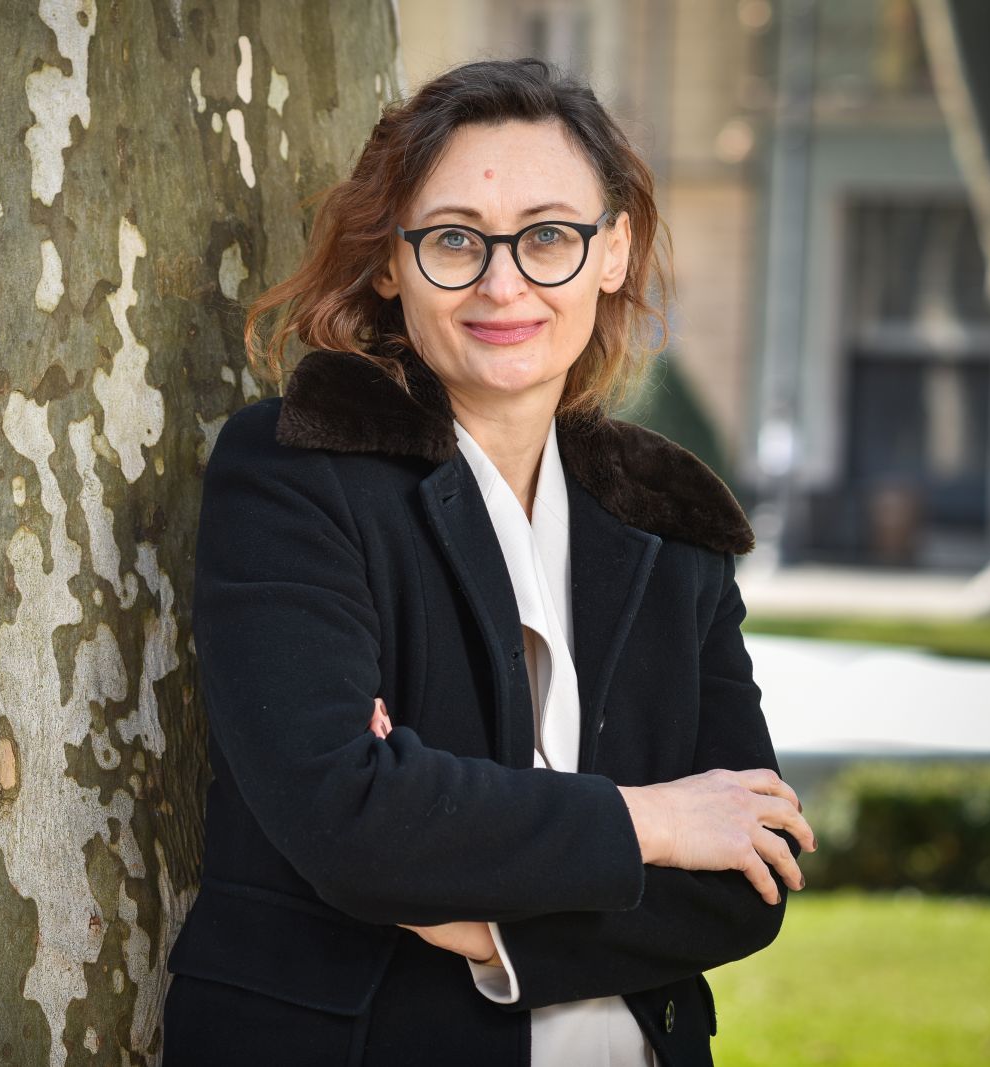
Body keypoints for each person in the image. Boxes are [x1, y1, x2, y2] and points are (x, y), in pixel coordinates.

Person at [161, 58, 815, 1067]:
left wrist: (486, 915)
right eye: (455, 239)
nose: (502, 282)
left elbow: (746, 873)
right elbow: (350, 819)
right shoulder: (296, 473)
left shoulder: (671, 518)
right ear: (391, 261)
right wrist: (654, 820)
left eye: (549, 235)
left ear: (612, 251)